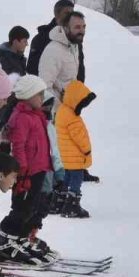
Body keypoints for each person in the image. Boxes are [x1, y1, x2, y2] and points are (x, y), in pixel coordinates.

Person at [0, 76, 54, 264]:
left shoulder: (37, 115)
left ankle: (21, 238)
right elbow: (18, 146)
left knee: (33, 207)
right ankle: (6, 239)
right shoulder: (20, 117)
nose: (42, 98)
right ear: (28, 95)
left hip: (39, 168)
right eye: (39, 94)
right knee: (22, 208)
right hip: (27, 173)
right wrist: (22, 172)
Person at [56, 80, 97, 218]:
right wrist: (87, 150)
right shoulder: (72, 117)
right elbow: (79, 137)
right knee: (76, 179)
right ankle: (72, 205)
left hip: (67, 156)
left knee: (68, 177)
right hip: (75, 155)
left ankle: (61, 200)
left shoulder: (62, 111)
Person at [38, 11, 86, 104]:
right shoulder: (53, 51)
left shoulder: (73, 46)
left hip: (70, 108)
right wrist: (61, 107)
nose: (82, 31)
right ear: (66, 28)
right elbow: (44, 88)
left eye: (84, 27)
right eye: (77, 27)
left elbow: (68, 79)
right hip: (57, 113)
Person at [27, 0, 76, 76]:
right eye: (67, 13)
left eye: (72, 13)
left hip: (73, 87)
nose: (70, 17)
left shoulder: (74, 39)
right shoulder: (40, 38)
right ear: (56, 14)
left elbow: (79, 69)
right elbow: (32, 70)